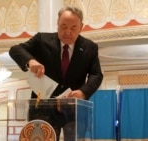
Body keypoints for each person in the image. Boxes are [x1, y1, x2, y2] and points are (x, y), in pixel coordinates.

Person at [9, 6, 103, 141]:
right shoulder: (42, 40)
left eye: (73, 28)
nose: (67, 32)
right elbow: (15, 49)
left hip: (74, 109)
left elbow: (96, 74)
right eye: (63, 26)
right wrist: (30, 61)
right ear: (57, 23)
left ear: (81, 27)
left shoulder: (90, 47)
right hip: (43, 109)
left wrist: (83, 92)